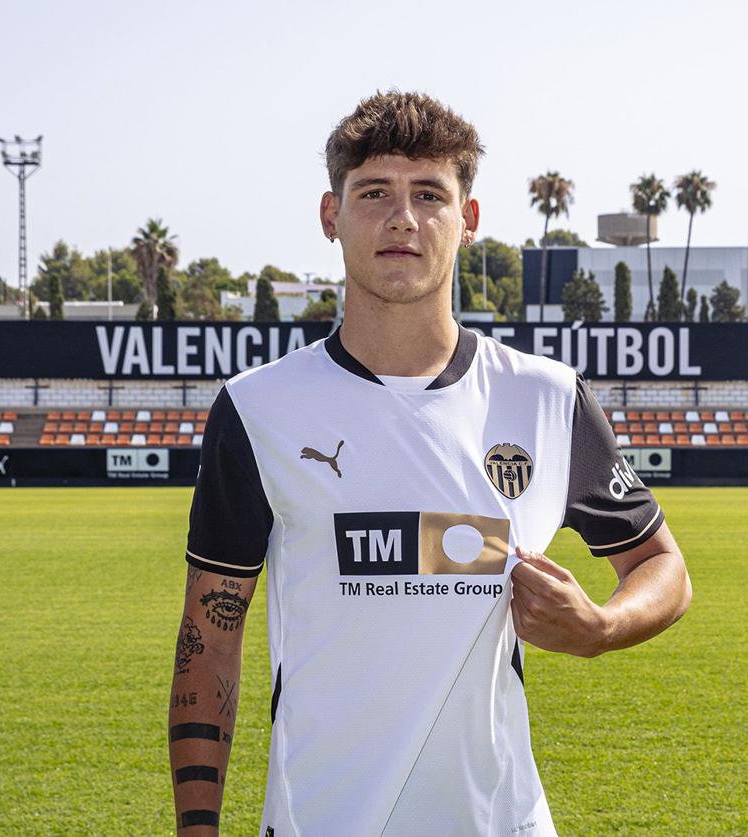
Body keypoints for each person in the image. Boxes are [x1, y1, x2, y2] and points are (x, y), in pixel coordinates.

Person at [168, 91, 692, 836]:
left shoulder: (544, 397)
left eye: (429, 195)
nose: (402, 219)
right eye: (374, 192)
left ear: (468, 220)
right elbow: (208, 637)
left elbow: (663, 565)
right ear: (331, 214)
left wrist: (602, 625)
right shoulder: (259, 409)